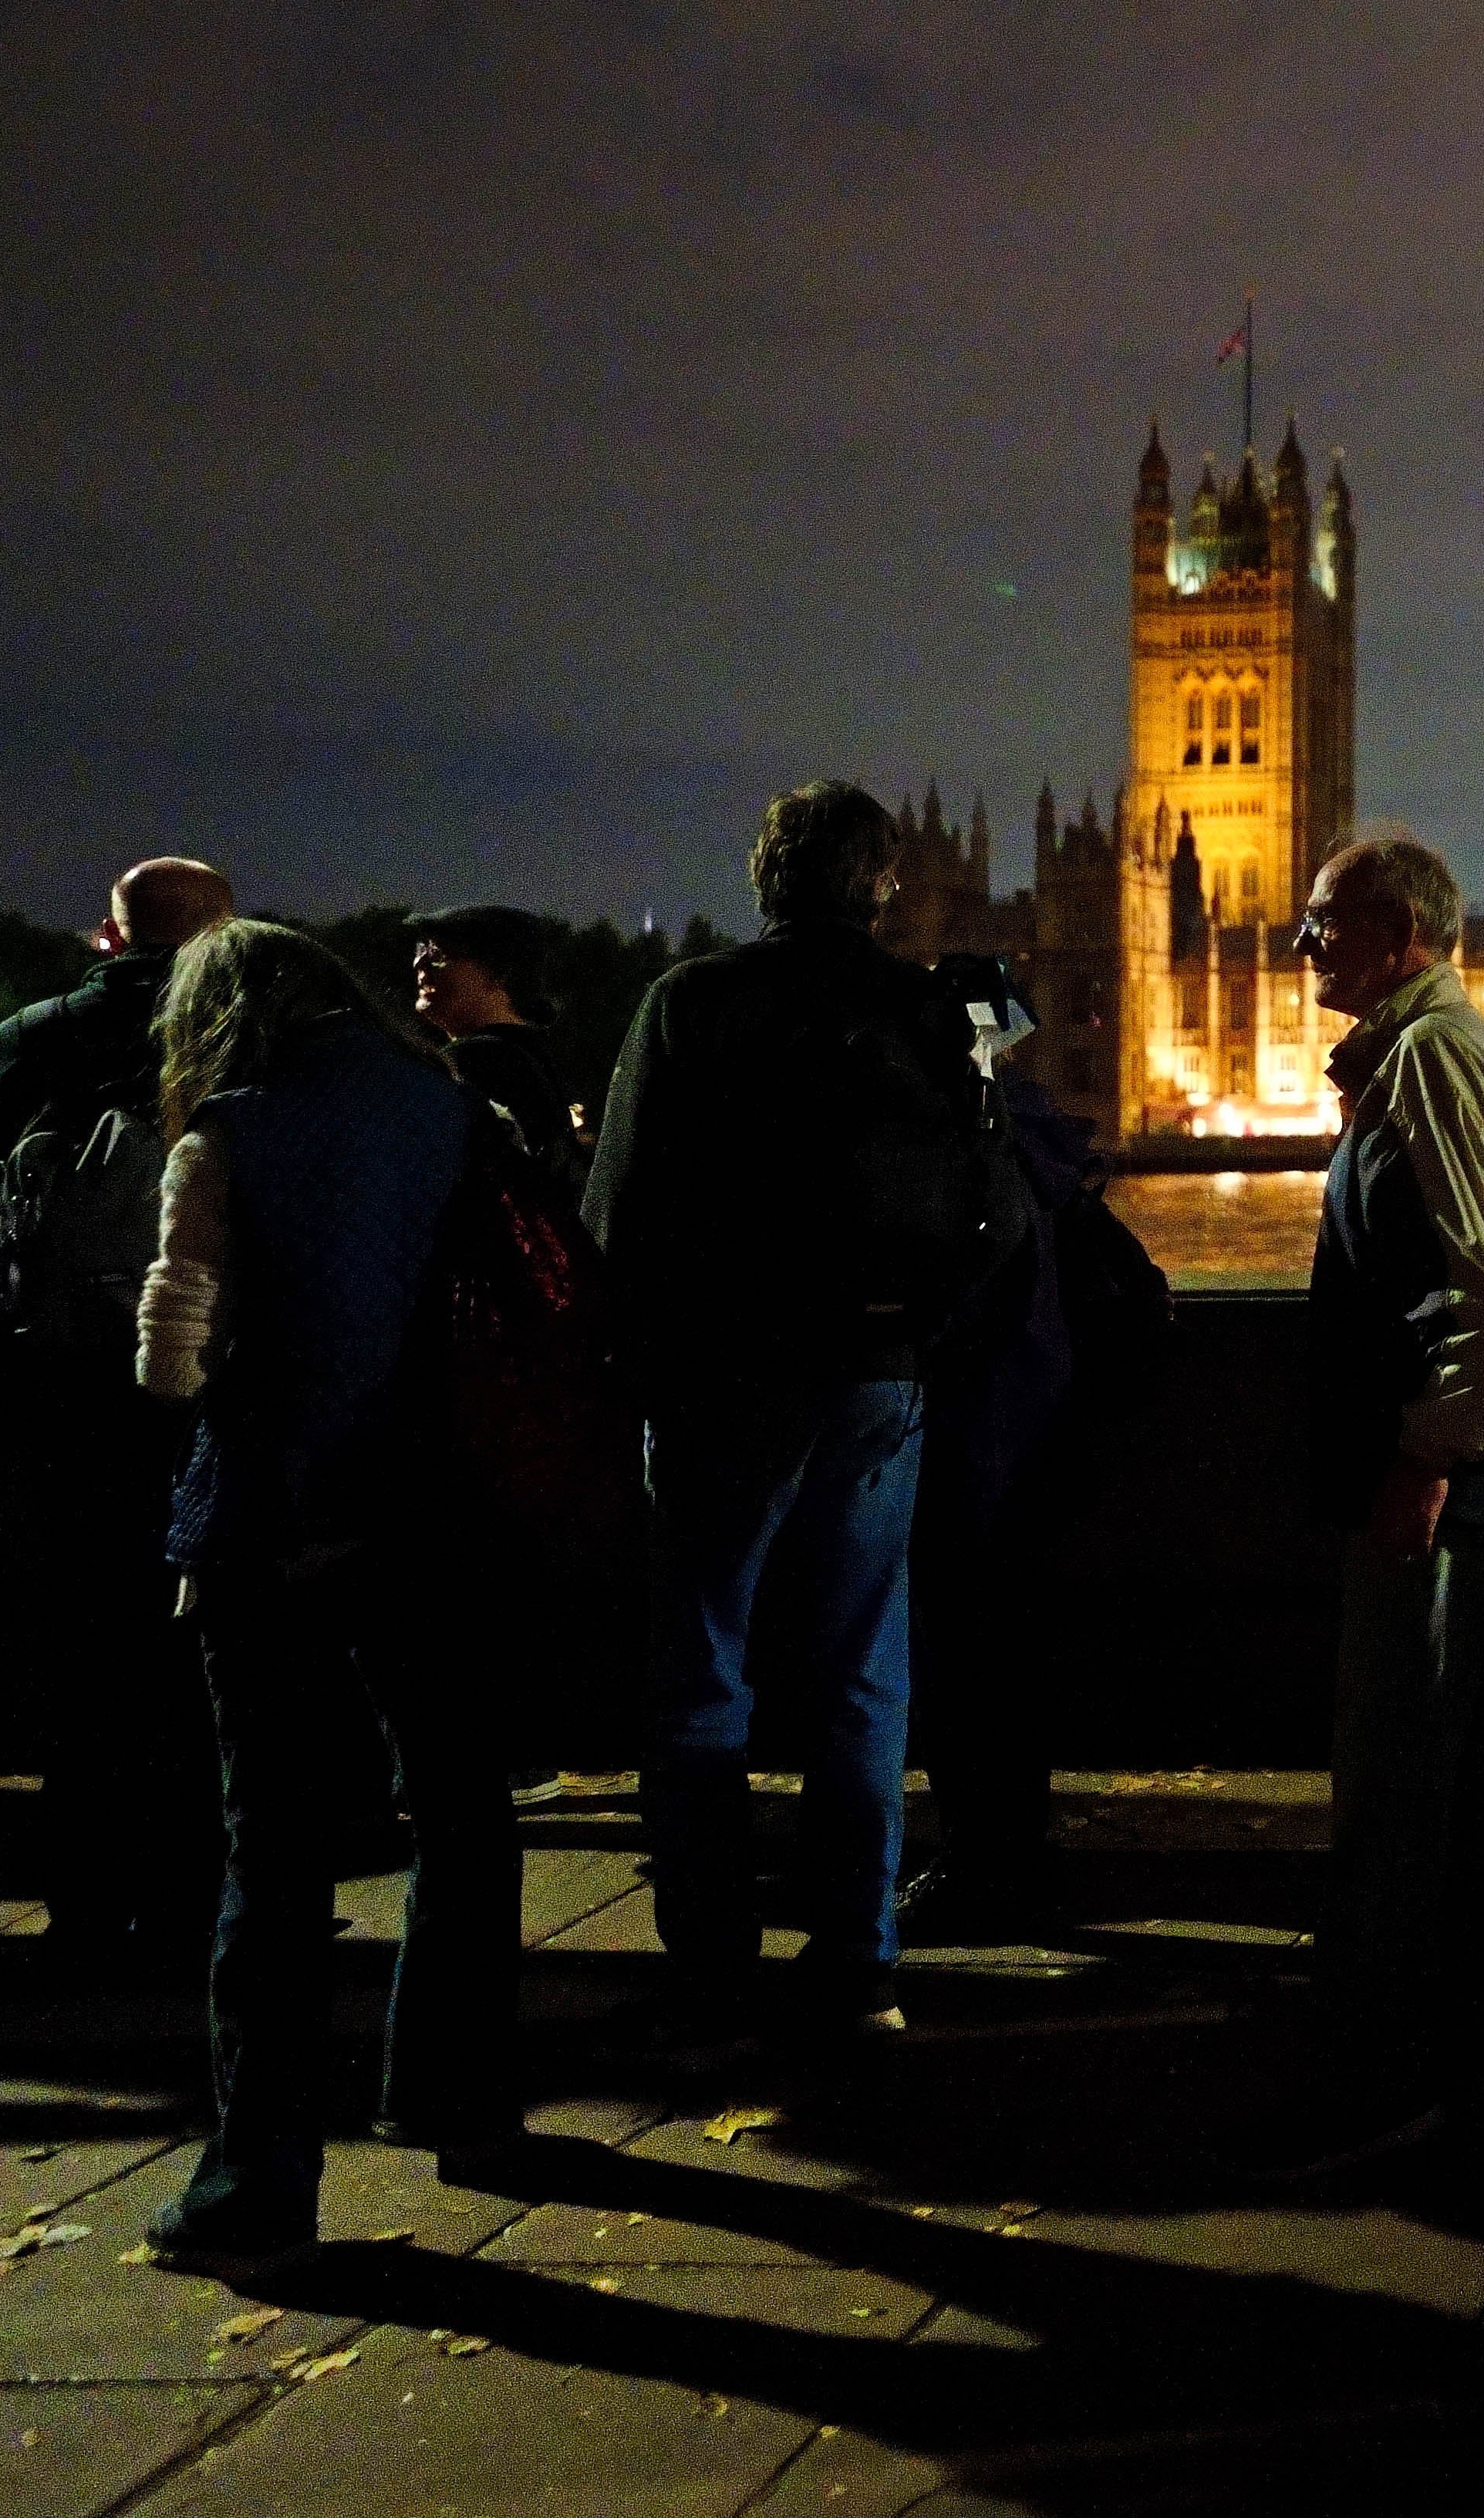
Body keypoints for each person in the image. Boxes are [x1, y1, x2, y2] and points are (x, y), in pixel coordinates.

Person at [588, 782, 1026, 2057]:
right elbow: (1001, 1213)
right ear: (882, 881)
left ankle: (711, 1962)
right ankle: (857, 1962)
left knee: (701, 1673)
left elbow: (616, 1215)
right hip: (876, 1378)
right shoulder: (939, 1004)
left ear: (764, 876)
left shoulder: (690, 1001)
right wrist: (917, 1337)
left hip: (726, 1377)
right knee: (857, 1678)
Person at [124, 920, 508, 2271]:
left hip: (274, 1518)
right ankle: (455, 2091)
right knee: (461, 1806)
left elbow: (171, 1364)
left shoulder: (222, 1130)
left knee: (276, 1852)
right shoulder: (443, 1101)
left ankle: (259, 2180)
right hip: (427, 1507)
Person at [1283, 831, 1484, 2171]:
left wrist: (1426, 1458)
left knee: (1403, 1785)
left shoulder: (1430, 1059)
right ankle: (1480, 2045)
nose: (1302, 944)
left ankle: (1390, 2074)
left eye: (1322, 921)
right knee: (1443, 1791)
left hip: (1441, 1488)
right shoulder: (1420, 1051)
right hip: (1451, 1475)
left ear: (1396, 926)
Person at [0, 856, 238, 1974]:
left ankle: (83, 1900)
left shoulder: (22, 1042)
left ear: (108, 937)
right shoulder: (241, 1038)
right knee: (198, 1657)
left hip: (63, 1387)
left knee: (81, 1652)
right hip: (202, 1387)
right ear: (226, 935)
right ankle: (192, 1900)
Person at [902, 955, 1170, 1948]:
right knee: (1008, 1664)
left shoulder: (968, 1144)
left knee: (963, 1666)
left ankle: (983, 1862)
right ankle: (1013, 1852)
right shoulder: (1043, 1135)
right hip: (1048, 1435)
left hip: (981, 1438)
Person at [412, 904, 585, 1198]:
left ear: (497, 974)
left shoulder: (474, 1065)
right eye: (421, 949)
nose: (419, 963)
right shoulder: (538, 1059)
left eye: (439, 954)